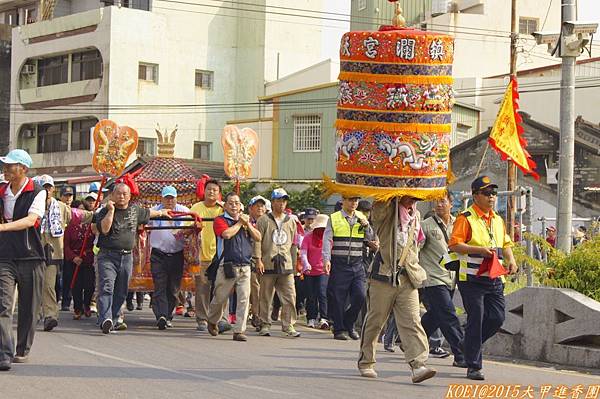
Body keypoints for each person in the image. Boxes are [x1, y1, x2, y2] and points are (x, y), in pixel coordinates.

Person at [358, 196, 436, 384]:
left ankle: (418, 365)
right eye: (408, 197)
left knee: (412, 320)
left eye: (414, 198)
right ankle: (366, 361)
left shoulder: (415, 215)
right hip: (383, 275)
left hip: (408, 276)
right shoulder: (386, 211)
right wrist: (389, 194)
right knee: (376, 321)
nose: (411, 201)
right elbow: (378, 210)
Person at [448, 176, 518, 381]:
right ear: (475, 195)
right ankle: (474, 366)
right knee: (476, 319)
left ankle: (465, 345)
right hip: (471, 280)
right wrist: (479, 250)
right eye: (487, 193)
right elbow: (454, 245)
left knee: (497, 318)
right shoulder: (465, 218)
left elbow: (505, 244)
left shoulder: (497, 219)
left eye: (494, 193)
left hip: (494, 278)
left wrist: (511, 261)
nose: (492, 197)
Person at [95, 183, 168, 334]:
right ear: (113, 195)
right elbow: (105, 229)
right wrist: (110, 211)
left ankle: (113, 319)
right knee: (107, 287)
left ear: (129, 196)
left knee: (121, 291)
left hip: (126, 256)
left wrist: (162, 213)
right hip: (107, 255)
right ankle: (105, 319)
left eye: (125, 194)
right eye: (118, 194)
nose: (121, 196)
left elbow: (149, 213)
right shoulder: (104, 211)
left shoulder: (135, 210)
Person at [0, 150, 46, 371]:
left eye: (11, 165)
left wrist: (3, 227)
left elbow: (31, 220)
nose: (6, 169)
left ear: (24, 169)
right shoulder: (1, 191)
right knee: (3, 304)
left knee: (29, 308)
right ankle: (4, 353)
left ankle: (22, 349)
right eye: (5, 165)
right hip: (5, 256)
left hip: (31, 256)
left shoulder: (37, 192)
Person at [419, 194, 466, 367]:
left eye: (442, 201)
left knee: (436, 315)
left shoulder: (459, 224)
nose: (438, 205)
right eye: (436, 201)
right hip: (433, 278)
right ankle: (461, 354)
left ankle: (411, 340)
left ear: (451, 204)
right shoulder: (425, 225)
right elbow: (415, 249)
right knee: (448, 314)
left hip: (451, 277)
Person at [207, 193, 261, 341]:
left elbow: (258, 237)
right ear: (225, 206)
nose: (234, 206)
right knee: (220, 298)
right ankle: (212, 320)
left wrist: (247, 224)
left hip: (245, 265)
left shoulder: (246, 222)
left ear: (240, 206)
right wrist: (239, 224)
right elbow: (226, 234)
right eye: (230, 203)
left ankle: (239, 331)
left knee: (244, 299)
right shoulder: (220, 220)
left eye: (236, 203)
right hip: (227, 266)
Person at [323, 196, 374, 341]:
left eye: (356, 200)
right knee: (338, 298)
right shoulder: (334, 218)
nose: (354, 203)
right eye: (351, 200)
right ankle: (339, 329)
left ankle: (349, 323)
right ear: (343, 201)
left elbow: (369, 237)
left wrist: (366, 226)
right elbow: (327, 239)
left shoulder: (361, 216)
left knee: (360, 295)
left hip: (357, 263)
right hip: (339, 263)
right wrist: (326, 259)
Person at [254, 188, 301, 338]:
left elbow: (294, 243)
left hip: (286, 264)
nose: (281, 204)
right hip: (268, 262)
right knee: (265, 296)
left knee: (289, 295)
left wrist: (294, 265)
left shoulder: (291, 220)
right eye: (278, 200)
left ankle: (288, 325)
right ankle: (265, 324)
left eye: (284, 200)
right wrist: (258, 259)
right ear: (273, 202)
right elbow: (257, 240)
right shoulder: (263, 220)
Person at [148, 186, 190, 330]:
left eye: (172, 197)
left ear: (176, 198)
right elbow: (143, 224)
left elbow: (192, 224)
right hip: (158, 254)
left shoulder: (183, 211)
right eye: (167, 198)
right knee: (159, 286)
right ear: (162, 198)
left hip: (177, 254)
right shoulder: (155, 211)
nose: (170, 200)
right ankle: (161, 316)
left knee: (173, 288)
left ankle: (167, 315)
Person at [190, 179, 223, 332]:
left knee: (221, 288)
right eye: (209, 189)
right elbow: (186, 230)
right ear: (204, 190)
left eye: (215, 190)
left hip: (219, 255)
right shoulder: (196, 208)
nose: (211, 192)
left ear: (219, 193)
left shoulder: (223, 209)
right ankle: (202, 319)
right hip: (201, 255)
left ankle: (220, 318)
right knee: (202, 289)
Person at [64, 193, 97, 320]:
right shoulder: (70, 227)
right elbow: (66, 246)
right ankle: (77, 308)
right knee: (76, 286)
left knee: (89, 285)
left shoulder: (91, 226)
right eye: (79, 211)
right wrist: (73, 257)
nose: (81, 214)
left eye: (84, 211)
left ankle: (87, 305)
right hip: (75, 260)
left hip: (88, 259)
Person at [301, 214, 329, 329]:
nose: (321, 230)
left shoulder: (328, 238)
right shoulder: (308, 237)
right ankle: (311, 318)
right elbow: (303, 252)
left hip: (323, 270)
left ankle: (324, 318)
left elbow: (330, 252)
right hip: (309, 271)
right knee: (311, 295)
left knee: (322, 293)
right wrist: (306, 263)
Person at [247, 195, 269, 329]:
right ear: (250, 208)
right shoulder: (247, 222)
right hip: (251, 259)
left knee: (266, 289)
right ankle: (256, 315)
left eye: (262, 205)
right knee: (255, 288)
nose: (260, 208)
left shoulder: (269, 221)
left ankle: (263, 315)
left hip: (268, 259)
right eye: (257, 205)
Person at [59, 186, 76, 311]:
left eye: (70, 196)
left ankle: (67, 300)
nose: (68, 198)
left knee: (69, 276)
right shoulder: (57, 209)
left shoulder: (75, 211)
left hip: (71, 249)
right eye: (66, 195)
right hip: (58, 247)